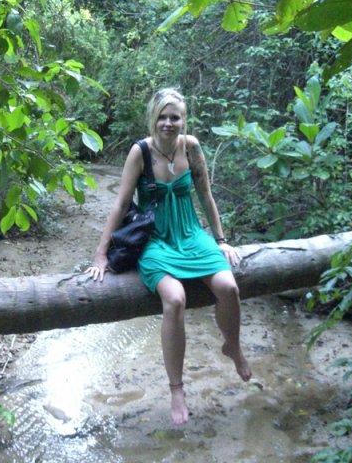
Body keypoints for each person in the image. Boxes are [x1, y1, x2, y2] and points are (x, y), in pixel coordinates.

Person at [86, 88, 251, 425]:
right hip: (155, 239)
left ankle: (232, 346)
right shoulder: (140, 152)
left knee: (229, 287)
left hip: (191, 234)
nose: (168, 122)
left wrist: (221, 239)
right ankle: (177, 389)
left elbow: (205, 196)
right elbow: (119, 204)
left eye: (174, 117)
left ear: (183, 120)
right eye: (162, 116)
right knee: (174, 298)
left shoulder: (191, 147)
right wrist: (100, 254)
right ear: (153, 118)